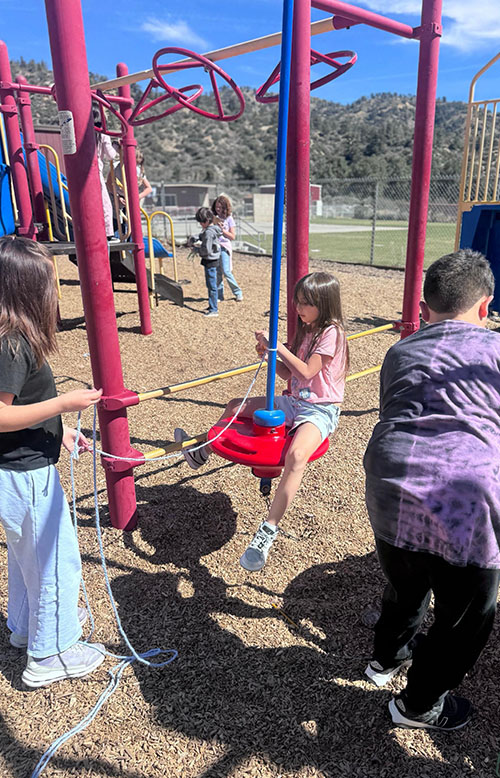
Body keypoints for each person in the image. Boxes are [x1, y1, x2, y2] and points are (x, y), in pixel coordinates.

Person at [363, 249, 500, 731]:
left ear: (425, 308)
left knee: (406, 579)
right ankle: (418, 706)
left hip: (389, 482)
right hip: (464, 495)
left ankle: (386, 660)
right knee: (466, 614)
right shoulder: (496, 351)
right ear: (485, 306)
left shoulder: (400, 350)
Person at [175, 271, 348, 570]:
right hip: (294, 401)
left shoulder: (331, 332)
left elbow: (307, 372)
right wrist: (269, 356)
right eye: (297, 302)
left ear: (324, 303)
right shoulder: (306, 330)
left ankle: (268, 530)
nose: (298, 308)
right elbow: (288, 374)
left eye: (306, 303)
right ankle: (200, 452)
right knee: (233, 407)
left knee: (295, 456)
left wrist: (277, 346)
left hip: (319, 409)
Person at [0, 236, 105, 688]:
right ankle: (53, 653)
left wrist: (62, 436)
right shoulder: (12, 344)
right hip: (24, 478)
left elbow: (24, 405)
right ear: (27, 290)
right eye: (50, 284)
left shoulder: (14, 339)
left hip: (19, 470)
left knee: (28, 559)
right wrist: (63, 405)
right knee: (56, 561)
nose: (56, 293)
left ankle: (26, 628)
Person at [188, 207, 223, 318]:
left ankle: (214, 310)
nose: (200, 224)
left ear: (207, 221)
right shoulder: (214, 229)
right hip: (215, 259)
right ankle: (212, 305)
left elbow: (206, 250)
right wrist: (195, 237)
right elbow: (204, 236)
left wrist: (196, 250)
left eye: (201, 222)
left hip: (210, 261)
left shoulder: (208, 232)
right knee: (212, 285)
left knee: (211, 285)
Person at [211, 195, 243, 303]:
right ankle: (219, 295)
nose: (218, 209)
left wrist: (222, 230)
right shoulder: (213, 218)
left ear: (225, 208)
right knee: (217, 272)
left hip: (224, 247)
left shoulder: (229, 219)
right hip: (214, 247)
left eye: (220, 207)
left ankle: (238, 292)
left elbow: (232, 236)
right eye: (216, 207)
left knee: (226, 271)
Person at [93, 108, 119, 241]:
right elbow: (111, 155)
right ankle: (108, 234)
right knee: (105, 203)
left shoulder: (81, 133)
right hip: (95, 172)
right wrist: (116, 146)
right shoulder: (102, 134)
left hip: (79, 174)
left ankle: (92, 230)